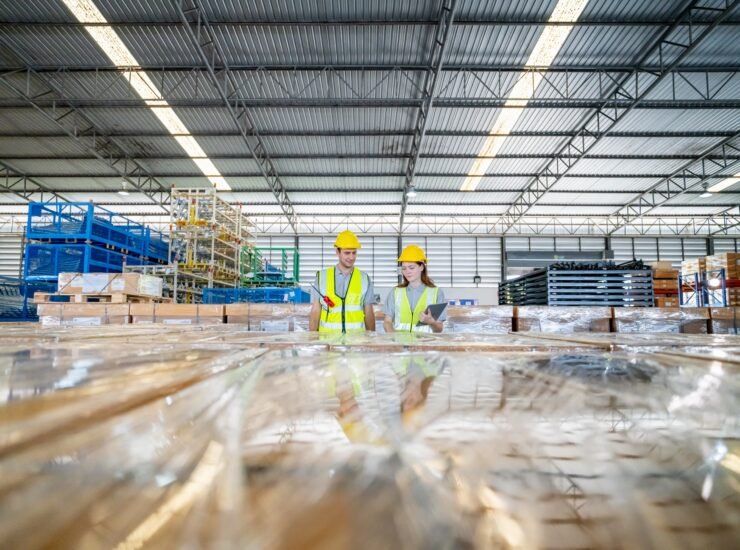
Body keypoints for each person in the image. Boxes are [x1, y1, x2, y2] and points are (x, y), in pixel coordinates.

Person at [309, 230, 376, 333]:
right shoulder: (322, 277)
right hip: (328, 341)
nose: (351, 257)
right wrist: (312, 338)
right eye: (347, 253)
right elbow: (315, 311)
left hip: (355, 342)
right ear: (337, 252)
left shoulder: (365, 279)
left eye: (354, 253)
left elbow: (369, 312)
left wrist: (371, 339)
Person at [384, 244, 446, 333]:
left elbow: (439, 329)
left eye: (411, 267)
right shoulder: (395, 292)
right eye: (404, 268)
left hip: (425, 344)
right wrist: (394, 340)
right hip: (401, 344)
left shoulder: (436, 293)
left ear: (421, 267)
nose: (407, 272)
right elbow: (387, 322)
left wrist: (431, 322)